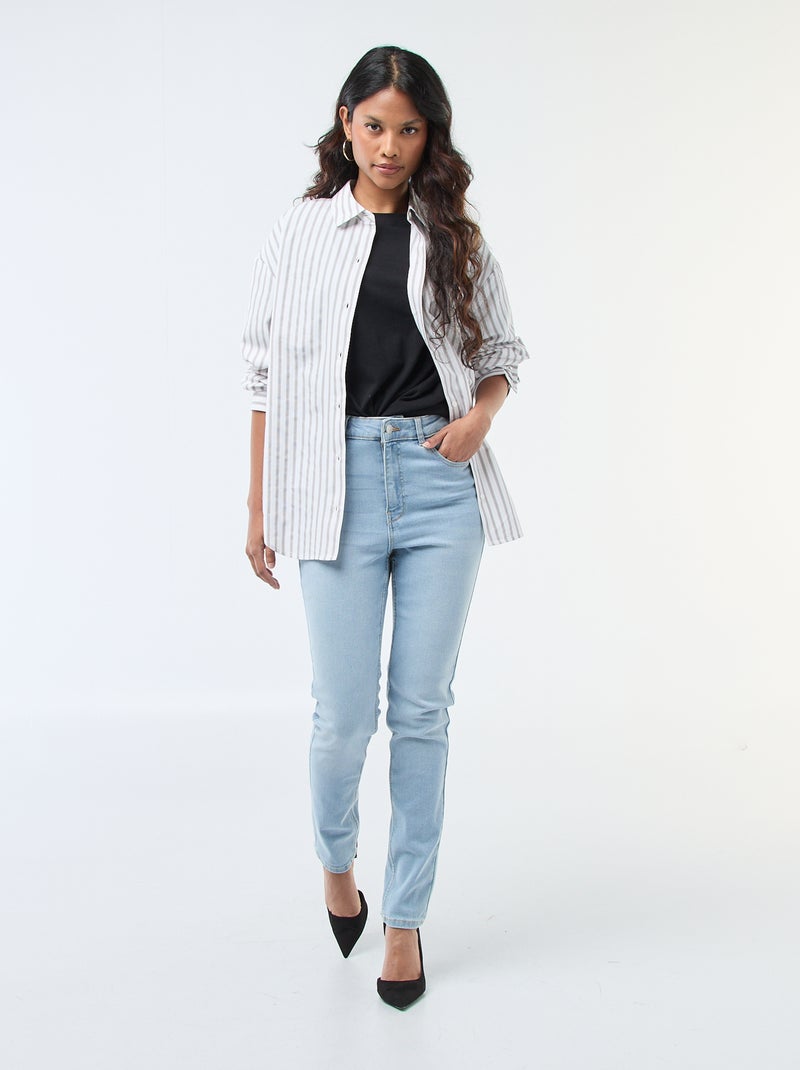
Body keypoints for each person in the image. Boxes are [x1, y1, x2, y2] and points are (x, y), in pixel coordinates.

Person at [241, 44, 529, 1010]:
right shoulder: (300, 231)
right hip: (334, 481)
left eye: (409, 129)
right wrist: (259, 504)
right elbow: (262, 372)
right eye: (374, 126)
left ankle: (404, 918)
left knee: (421, 713)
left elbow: (503, 351)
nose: (390, 146)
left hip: (442, 480)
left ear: (429, 135)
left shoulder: (456, 237)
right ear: (346, 122)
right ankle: (338, 866)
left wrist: (480, 417)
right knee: (343, 717)